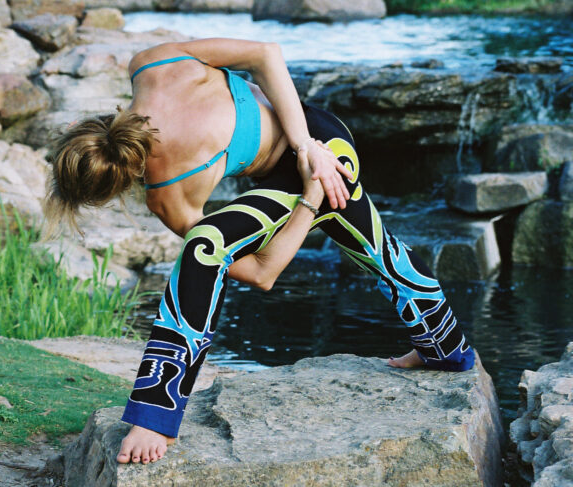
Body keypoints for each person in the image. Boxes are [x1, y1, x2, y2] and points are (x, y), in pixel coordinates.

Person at [42, 38, 476, 466]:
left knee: (206, 245)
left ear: (115, 190)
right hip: (321, 141)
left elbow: (261, 273)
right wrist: (310, 194)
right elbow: (265, 53)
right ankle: (445, 347)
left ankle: (156, 411)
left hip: (320, 148)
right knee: (376, 250)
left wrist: (308, 157)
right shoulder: (152, 61)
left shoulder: (167, 197)